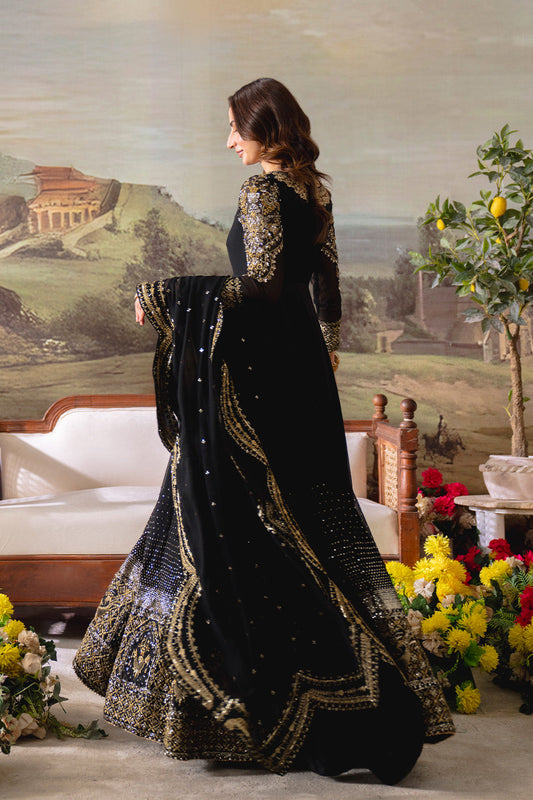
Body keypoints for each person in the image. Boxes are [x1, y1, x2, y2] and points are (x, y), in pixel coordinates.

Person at [74, 78, 454, 783]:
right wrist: (324, 352)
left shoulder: (261, 193)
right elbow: (325, 288)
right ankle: (359, 692)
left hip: (259, 386)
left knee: (234, 520)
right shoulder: (315, 192)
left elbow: (264, 289)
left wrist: (165, 295)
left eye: (233, 128)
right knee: (307, 523)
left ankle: (257, 704)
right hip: (301, 377)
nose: (228, 142)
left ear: (262, 126)